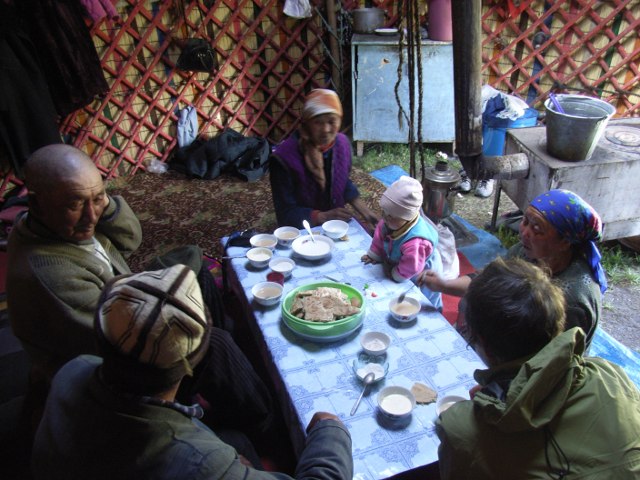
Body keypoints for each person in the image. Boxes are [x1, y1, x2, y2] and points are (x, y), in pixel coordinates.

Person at [7, 144, 272, 435]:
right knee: (213, 345)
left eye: (98, 199)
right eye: (75, 204)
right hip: (103, 364)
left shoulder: (54, 223)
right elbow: (119, 343)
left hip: (119, 295)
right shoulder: (51, 273)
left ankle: (229, 375)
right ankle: (262, 422)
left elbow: (130, 239)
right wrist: (195, 337)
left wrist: (102, 202)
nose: (90, 216)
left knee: (189, 264)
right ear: (36, 204)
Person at [32, 265, 354, 480]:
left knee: (237, 439)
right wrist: (331, 433)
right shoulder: (202, 463)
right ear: (193, 361)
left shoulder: (74, 370)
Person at [435, 257, 640, 479]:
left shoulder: (464, 432)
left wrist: (473, 418)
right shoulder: (609, 374)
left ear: (482, 343)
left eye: (468, 334)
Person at [418, 189, 605, 350]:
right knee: (469, 303)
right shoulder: (526, 253)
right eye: (525, 221)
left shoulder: (574, 300)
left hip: (534, 363)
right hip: (509, 341)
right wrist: (442, 284)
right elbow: (486, 280)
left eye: (537, 228)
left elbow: (554, 360)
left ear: (564, 242)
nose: (524, 232)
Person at [269, 88, 379, 231]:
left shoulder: (342, 144)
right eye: (318, 122)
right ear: (307, 122)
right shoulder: (283, 158)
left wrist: (365, 211)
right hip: (304, 228)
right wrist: (322, 217)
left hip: (336, 224)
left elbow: (342, 181)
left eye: (332, 121)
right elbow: (285, 213)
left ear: (340, 120)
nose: (326, 129)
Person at [361, 175, 443, 311]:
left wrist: (396, 274)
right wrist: (374, 254)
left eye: (391, 216)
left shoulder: (416, 242)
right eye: (384, 213)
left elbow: (412, 266)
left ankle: (435, 313)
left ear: (407, 217)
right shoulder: (389, 222)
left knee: (423, 297)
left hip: (421, 268)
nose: (385, 218)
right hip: (403, 260)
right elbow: (379, 237)